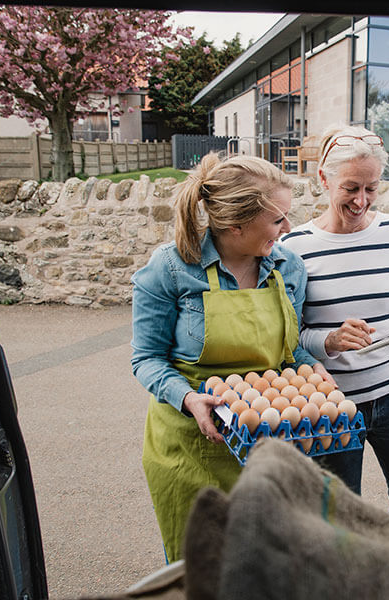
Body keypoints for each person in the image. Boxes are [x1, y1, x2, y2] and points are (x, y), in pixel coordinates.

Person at [130, 153, 331, 562]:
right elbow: (146, 358)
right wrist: (189, 399)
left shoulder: (288, 267)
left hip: (267, 439)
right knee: (202, 567)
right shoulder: (171, 268)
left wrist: (311, 371)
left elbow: (288, 349)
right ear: (236, 225)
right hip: (192, 442)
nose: (287, 229)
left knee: (264, 562)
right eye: (277, 220)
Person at [280, 125, 389, 522]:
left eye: (371, 188)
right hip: (333, 404)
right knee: (343, 519)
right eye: (350, 188)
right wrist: (329, 340)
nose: (361, 200)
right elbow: (287, 338)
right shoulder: (293, 247)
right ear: (323, 179)